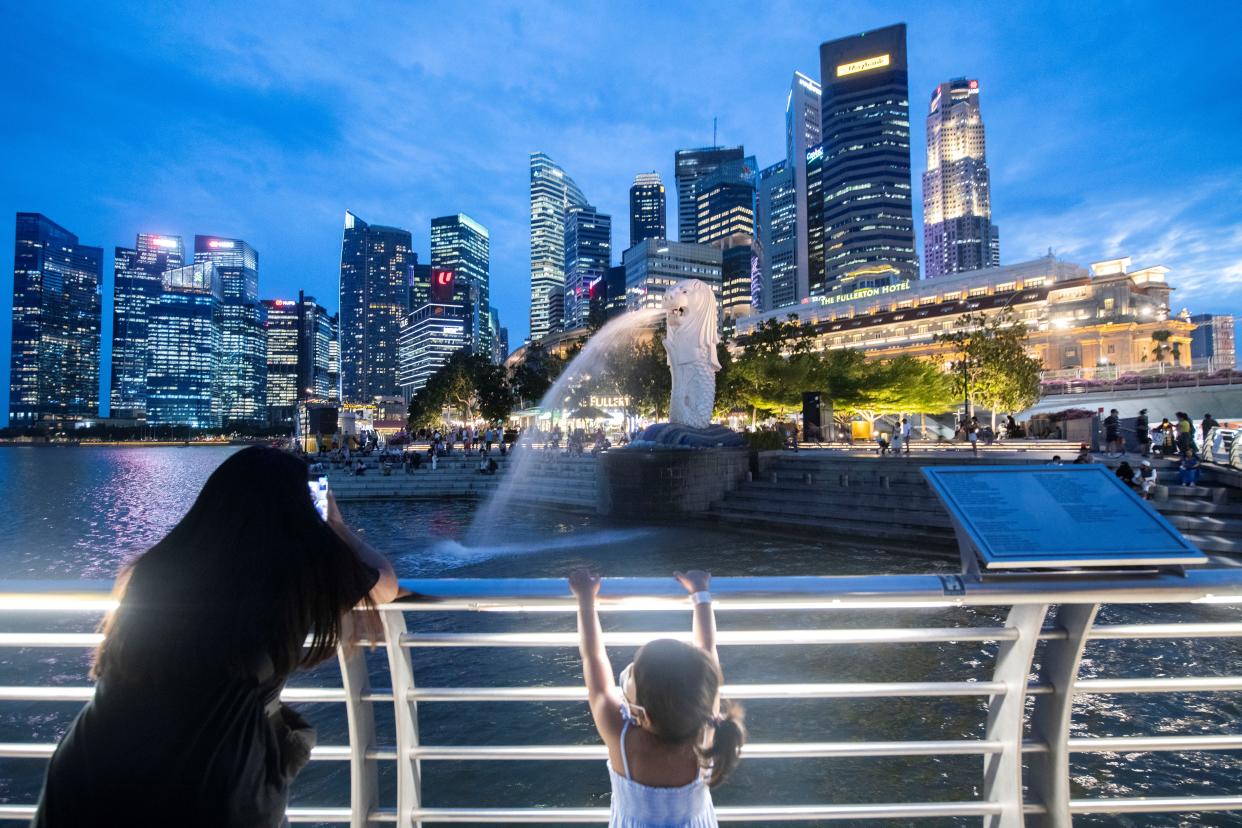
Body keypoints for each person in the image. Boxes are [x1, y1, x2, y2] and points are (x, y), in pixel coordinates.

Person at [32, 447, 399, 827]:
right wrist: (335, 525)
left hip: (87, 772)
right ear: (297, 510)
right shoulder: (290, 573)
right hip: (207, 783)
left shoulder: (159, 567)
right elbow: (384, 584)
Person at [569, 569, 744, 828]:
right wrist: (700, 593)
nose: (628, 671)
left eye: (632, 674)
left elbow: (592, 658)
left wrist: (585, 599)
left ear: (644, 714)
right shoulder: (705, 725)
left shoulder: (622, 737)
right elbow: (707, 648)